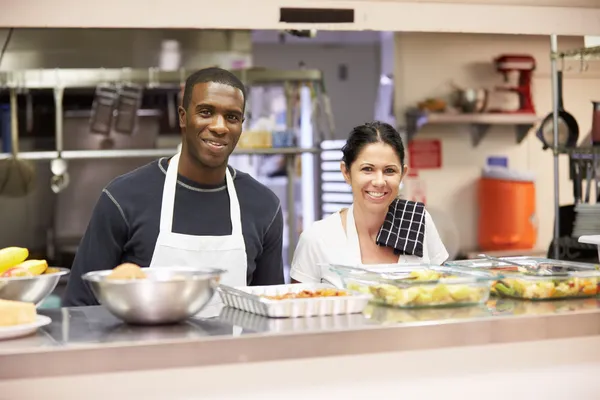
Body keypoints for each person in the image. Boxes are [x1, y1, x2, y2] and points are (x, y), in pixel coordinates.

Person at [64, 67, 284, 307]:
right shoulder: (123, 198)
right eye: (206, 112)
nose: (219, 126)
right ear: (183, 117)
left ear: (241, 125)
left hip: (235, 345)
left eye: (232, 117)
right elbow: (79, 306)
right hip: (145, 345)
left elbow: (271, 309)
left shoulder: (264, 207)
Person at [290, 121, 448, 284]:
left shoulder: (418, 221)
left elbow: (445, 294)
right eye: (367, 169)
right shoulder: (317, 238)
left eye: (389, 171)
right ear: (346, 172)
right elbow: (296, 305)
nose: (379, 182)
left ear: (402, 174)